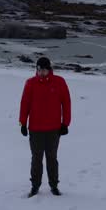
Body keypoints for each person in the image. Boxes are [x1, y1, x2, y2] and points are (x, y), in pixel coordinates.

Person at [18, 56, 71, 197]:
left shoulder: (59, 82)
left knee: (52, 158)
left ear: (49, 69)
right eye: (39, 69)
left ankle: (54, 186)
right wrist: (22, 123)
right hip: (35, 129)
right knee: (36, 159)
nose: (41, 72)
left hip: (54, 129)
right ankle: (35, 186)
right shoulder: (30, 83)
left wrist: (65, 123)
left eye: (44, 70)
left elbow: (66, 103)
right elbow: (24, 104)